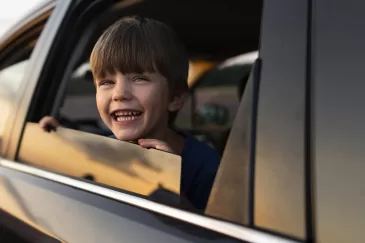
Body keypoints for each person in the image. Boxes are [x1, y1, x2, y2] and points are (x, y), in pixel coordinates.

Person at [39, 16, 220, 211]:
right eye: (107, 82)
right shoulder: (103, 147)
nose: (119, 94)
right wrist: (59, 137)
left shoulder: (206, 165)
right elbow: (82, 149)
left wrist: (176, 198)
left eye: (140, 78)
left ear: (175, 97)